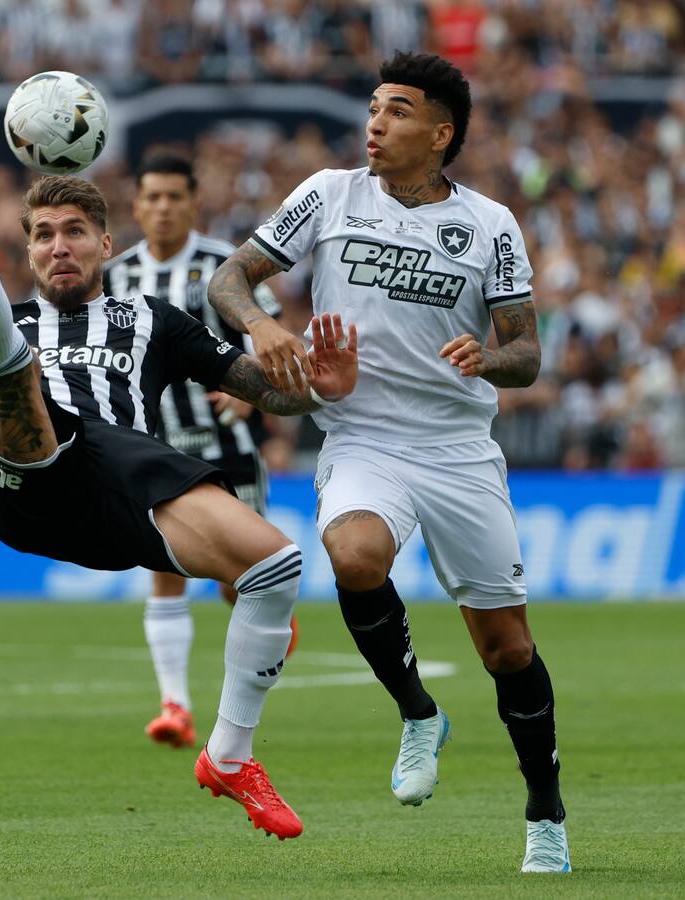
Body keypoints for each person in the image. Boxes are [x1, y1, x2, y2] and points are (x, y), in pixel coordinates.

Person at [0, 99, 358, 840]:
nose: (58, 247)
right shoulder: (13, 323)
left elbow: (263, 389)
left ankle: (230, 756)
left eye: (73, 232)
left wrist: (316, 386)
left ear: (106, 242)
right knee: (5, 368)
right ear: (27, 252)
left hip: (124, 498)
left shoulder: (156, 322)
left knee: (276, 566)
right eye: (42, 236)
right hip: (24, 485)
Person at [208, 52, 569, 872]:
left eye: (398, 111)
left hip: (458, 449)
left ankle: (545, 814)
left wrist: (489, 357)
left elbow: (528, 354)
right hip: (363, 437)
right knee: (354, 553)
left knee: (507, 650)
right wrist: (263, 328)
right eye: (373, 106)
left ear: (441, 134)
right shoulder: (329, 194)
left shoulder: (490, 224)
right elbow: (230, 279)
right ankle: (417, 713)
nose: (376, 122)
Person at [103, 151, 297, 750]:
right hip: (152, 446)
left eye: (174, 197)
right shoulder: (113, 278)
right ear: (136, 206)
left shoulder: (223, 267)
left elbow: (271, 340)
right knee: (164, 571)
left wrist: (253, 400)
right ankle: (175, 706)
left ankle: (246, 683)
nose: (162, 207)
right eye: (152, 197)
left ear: (194, 203)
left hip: (227, 444)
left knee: (240, 582)